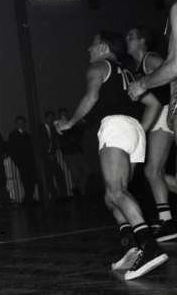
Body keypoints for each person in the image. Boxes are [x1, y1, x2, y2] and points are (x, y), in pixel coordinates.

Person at [57, 31, 167, 280]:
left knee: (117, 191)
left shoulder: (99, 66)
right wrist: (140, 129)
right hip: (133, 131)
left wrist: (70, 123)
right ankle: (132, 246)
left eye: (92, 44)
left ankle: (149, 247)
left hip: (116, 127)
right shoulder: (128, 74)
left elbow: (92, 96)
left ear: (104, 47)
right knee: (111, 196)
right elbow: (153, 104)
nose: (88, 49)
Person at [126, 26, 177, 241]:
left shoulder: (150, 59)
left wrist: (173, 105)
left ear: (142, 41)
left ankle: (167, 222)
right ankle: (166, 219)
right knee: (154, 173)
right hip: (160, 114)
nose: (126, 39)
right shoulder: (136, 66)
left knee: (152, 170)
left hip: (165, 112)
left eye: (131, 36)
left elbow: (173, 73)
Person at [57, 107, 88, 197]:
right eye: (62, 114)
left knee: (86, 170)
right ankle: (80, 192)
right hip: (69, 153)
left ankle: (78, 189)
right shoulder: (58, 126)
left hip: (77, 151)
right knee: (75, 173)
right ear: (59, 116)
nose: (64, 116)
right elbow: (62, 138)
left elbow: (80, 133)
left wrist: (80, 124)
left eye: (65, 114)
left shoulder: (73, 124)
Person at [8, 116, 37, 204]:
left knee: (32, 180)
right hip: (22, 162)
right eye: (19, 123)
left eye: (22, 123)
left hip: (30, 162)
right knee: (25, 181)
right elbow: (12, 150)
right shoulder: (13, 135)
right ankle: (28, 199)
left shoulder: (27, 135)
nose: (21, 124)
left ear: (24, 123)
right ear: (16, 124)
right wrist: (18, 162)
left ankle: (29, 198)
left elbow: (32, 149)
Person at [40, 110, 66, 199]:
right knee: (49, 176)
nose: (51, 119)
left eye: (52, 118)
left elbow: (54, 142)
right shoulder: (40, 128)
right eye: (49, 117)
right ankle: (54, 194)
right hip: (44, 157)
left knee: (59, 174)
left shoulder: (53, 129)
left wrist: (52, 152)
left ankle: (61, 194)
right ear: (45, 118)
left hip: (52, 155)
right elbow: (40, 143)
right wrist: (47, 154)